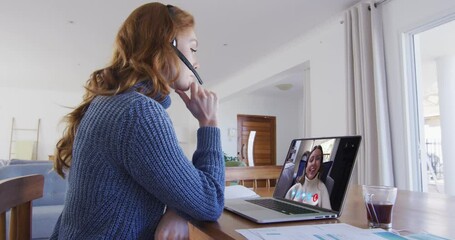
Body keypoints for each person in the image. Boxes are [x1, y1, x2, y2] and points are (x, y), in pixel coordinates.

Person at [50, 3, 224, 239]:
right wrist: (209, 123)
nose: (197, 62)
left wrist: (179, 209)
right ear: (168, 45)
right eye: (192, 49)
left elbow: (184, 189)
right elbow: (210, 202)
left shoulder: (113, 103)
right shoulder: (139, 113)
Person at [284, 145, 331, 209]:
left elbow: (328, 215)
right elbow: (283, 208)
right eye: (311, 160)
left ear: (320, 166)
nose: (314, 163)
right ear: (306, 167)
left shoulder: (322, 189)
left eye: (317, 159)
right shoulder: (296, 187)